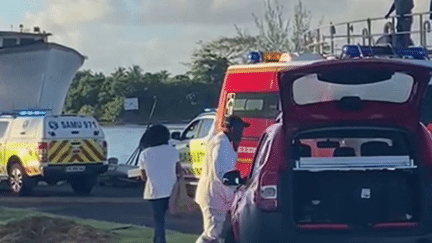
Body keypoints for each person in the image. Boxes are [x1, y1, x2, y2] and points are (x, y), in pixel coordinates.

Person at [195, 115, 249, 243]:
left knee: (214, 233)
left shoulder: (222, 141)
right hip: (214, 195)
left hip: (216, 194)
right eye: (239, 129)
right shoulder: (221, 144)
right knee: (212, 235)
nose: (242, 132)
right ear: (230, 129)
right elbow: (222, 174)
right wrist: (239, 181)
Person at [138, 124, 180, 243]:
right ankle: (158, 240)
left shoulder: (145, 153)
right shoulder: (173, 150)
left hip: (154, 191)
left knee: (158, 219)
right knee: (161, 218)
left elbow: (143, 176)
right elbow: (178, 170)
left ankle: (160, 240)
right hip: (171, 189)